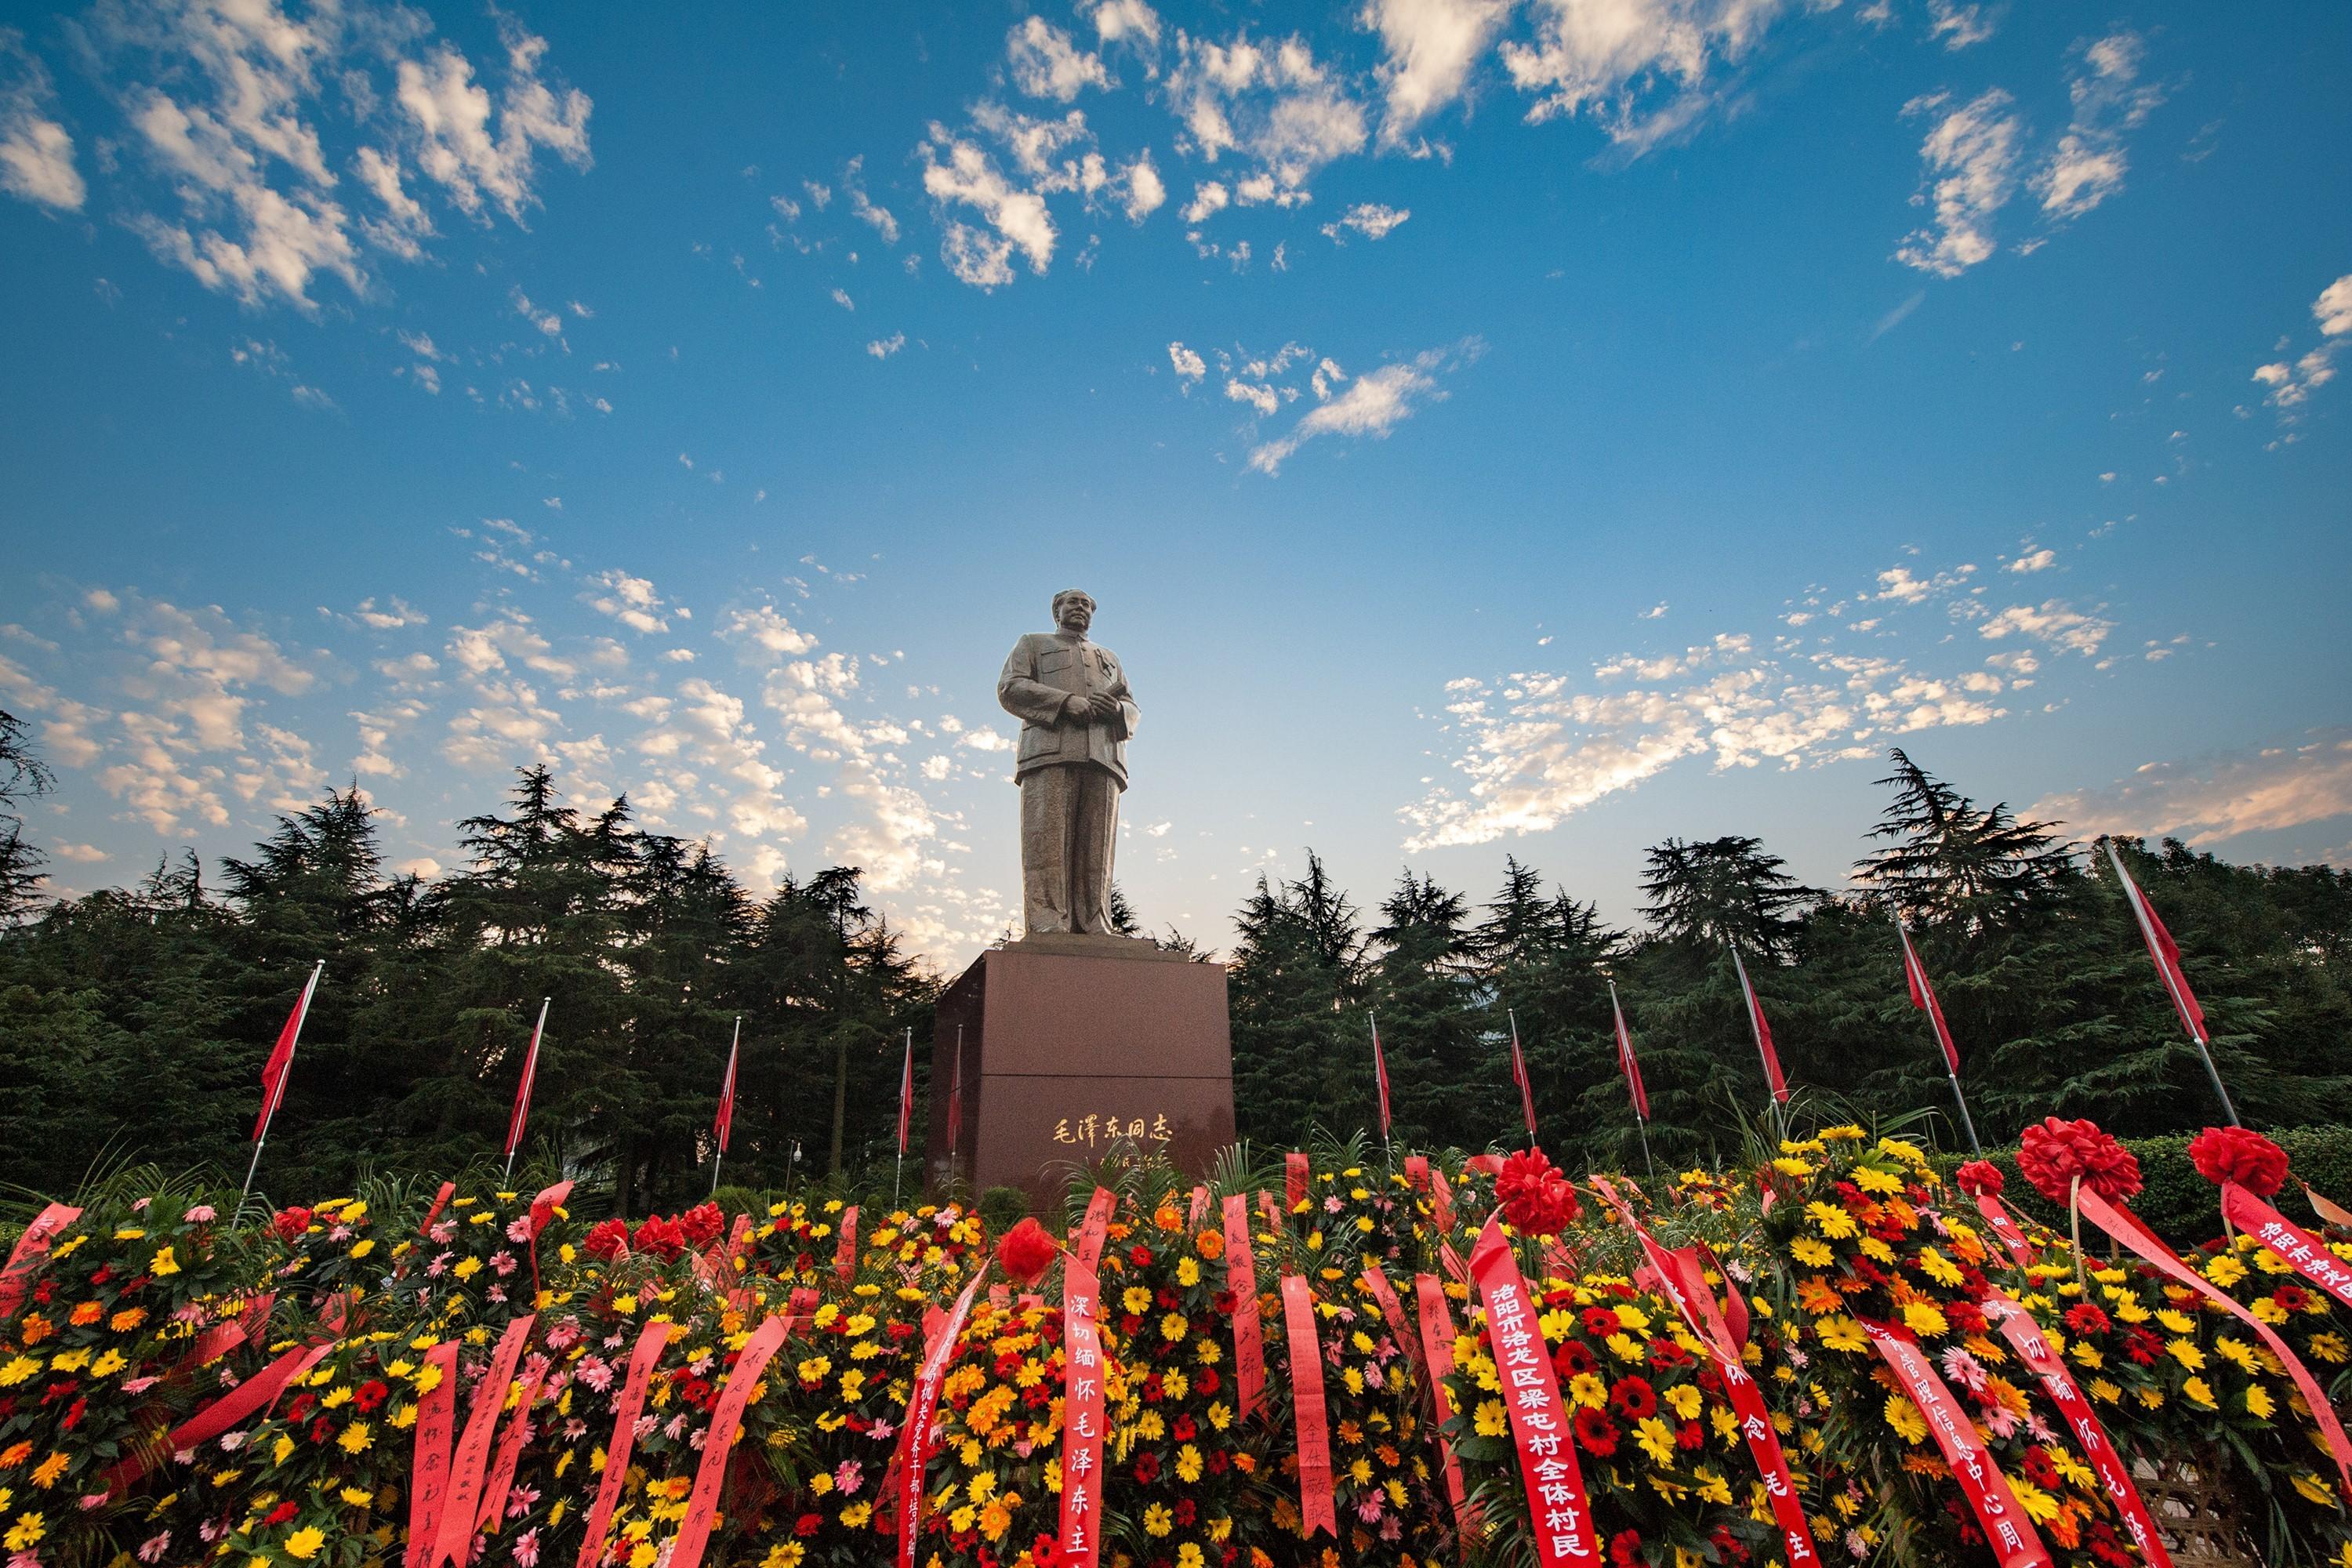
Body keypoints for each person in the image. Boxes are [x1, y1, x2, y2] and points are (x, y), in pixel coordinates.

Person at [996, 589, 1138, 935]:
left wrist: (1118, 711)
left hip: (1103, 756)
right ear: (1056, 610)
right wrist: (1065, 702)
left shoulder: (1109, 658)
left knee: (1097, 848)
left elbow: (1133, 707)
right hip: (1049, 751)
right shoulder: (1032, 643)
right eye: (1073, 603)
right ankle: (1048, 922)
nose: (1081, 608)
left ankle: (1096, 922)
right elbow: (1010, 687)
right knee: (1046, 840)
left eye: (1088, 605)